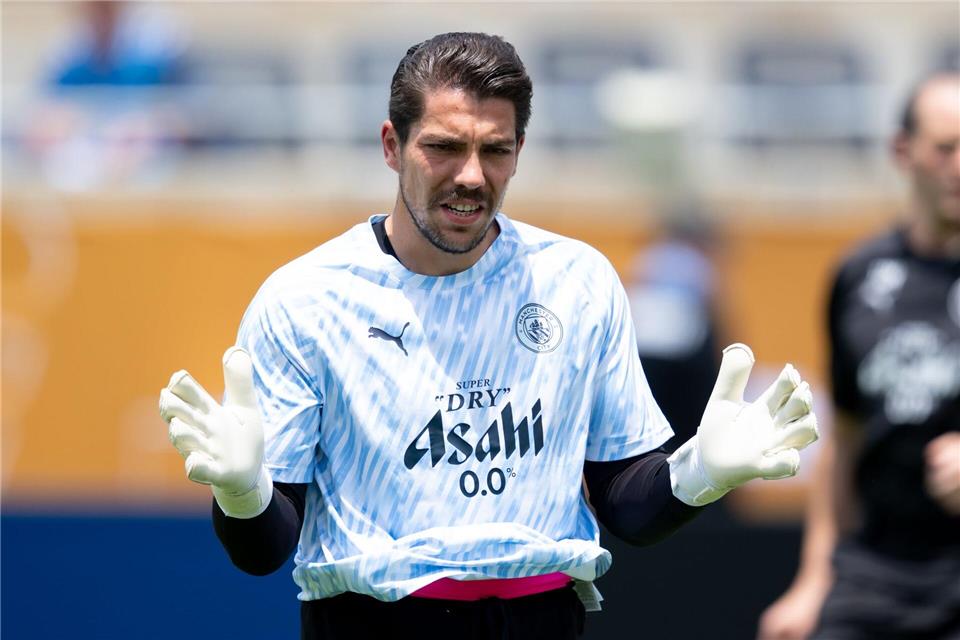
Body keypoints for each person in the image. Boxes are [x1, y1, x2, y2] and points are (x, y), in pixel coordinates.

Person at [158, 33, 818, 639]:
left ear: (518, 153)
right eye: (443, 146)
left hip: (546, 619)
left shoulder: (576, 280)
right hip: (374, 624)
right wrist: (243, 495)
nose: (471, 174)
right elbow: (265, 550)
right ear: (392, 146)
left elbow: (627, 505)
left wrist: (699, 472)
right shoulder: (305, 300)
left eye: (494, 150)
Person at [757, 72, 960, 640]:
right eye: (946, 148)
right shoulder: (860, 273)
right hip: (875, 573)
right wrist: (812, 583)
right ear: (904, 152)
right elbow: (842, 440)